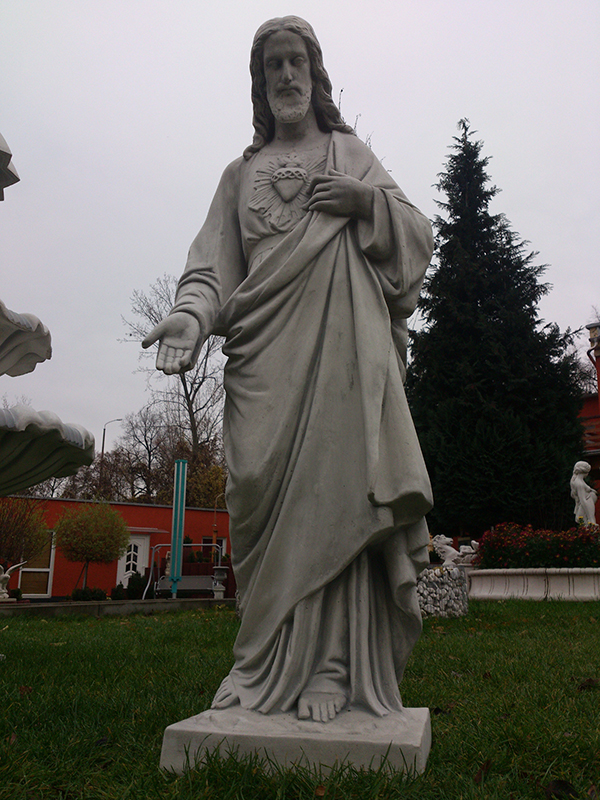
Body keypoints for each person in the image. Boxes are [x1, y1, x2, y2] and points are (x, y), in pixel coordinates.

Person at [143, 16, 434, 723]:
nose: (285, 75)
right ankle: (261, 664)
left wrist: (365, 202)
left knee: (336, 494)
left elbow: (417, 239)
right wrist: (189, 317)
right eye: (272, 65)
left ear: (315, 72)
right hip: (262, 365)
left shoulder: (348, 152)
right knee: (256, 495)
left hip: (340, 358)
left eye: (295, 61)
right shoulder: (239, 175)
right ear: (259, 82)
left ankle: (331, 667)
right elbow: (212, 267)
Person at [570, 461, 598, 525]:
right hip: (587, 504)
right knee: (582, 520)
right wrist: (590, 517)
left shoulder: (579, 481)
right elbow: (583, 500)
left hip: (588, 501)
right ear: (585, 472)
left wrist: (591, 491)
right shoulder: (579, 483)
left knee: (583, 521)